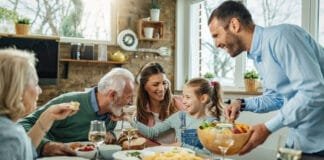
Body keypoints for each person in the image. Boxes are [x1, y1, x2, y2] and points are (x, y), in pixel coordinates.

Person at [208, 0, 324, 156]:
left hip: (319, 146)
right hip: (297, 143)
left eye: (216, 35)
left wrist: (268, 128)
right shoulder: (258, 56)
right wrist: (241, 103)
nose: (216, 44)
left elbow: (314, 91)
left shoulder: (283, 37)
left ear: (234, 25)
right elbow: (277, 98)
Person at [18, 67, 135, 157]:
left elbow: (102, 139)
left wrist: (112, 134)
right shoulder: (69, 101)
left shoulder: (112, 111)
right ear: (112, 95)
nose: (131, 102)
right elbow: (22, 124)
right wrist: (46, 145)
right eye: (129, 97)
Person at [0, 48, 78, 159]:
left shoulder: (8, 130)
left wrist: (49, 116)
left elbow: (25, 152)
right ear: (18, 89)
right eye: (36, 84)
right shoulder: (9, 137)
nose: (40, 90)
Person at [126, 78, 223, 153]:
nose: (183, 101)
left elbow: (209, 155)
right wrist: (128, 118)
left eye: (188, 97)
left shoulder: (212, 124)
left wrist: (181, 146)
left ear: (203, 98)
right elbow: (152, 132)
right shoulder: (179, 117)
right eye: (183, 96)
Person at [134, 62, 184, 144]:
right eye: (155, 84)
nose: (162, 88)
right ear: (144, 87)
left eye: (164, 83)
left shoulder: (181, 103)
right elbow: (141, 141)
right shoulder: (139, 115)